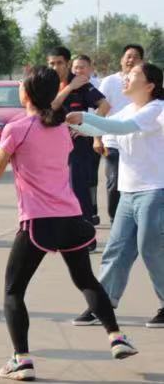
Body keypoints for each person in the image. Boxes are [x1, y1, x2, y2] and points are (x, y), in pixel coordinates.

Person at [0, 66, 137, 381]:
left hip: (38, 221)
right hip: (71, 218)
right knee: (86, 280)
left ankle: (22, 360)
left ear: (26, 93)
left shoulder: (17, 128)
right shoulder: (61, 129)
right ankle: (116, 336)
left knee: (13, 291)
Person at [67, 63, 164, 329]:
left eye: (133, 75)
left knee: (151, 248)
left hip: (155, 190)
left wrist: (84, 117)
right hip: (128, 191)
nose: (126, 78)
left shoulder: (156, 109)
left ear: (150, 85)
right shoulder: (128, 109)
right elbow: (105, 129)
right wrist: (75, 125)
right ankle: (102, 304)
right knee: (116, 249)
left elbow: (122, 128)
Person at [49, 46, 110, 232]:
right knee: (55, 189)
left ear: (67, 63)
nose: (55, 67)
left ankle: (86, 232)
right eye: (51, 63)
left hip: (76, 145)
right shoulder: (47, 83)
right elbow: (51, 107)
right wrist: (69, 88)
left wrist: (89, 128)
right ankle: (62, 230)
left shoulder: (81, 83)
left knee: (78, 188)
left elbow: (104, 105)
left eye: (59, 63)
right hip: (51, 145)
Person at [98, 44, 146, 225]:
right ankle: (115, 219)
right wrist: (96, 138)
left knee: (136, 182)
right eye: (128, 56)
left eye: (135, 57)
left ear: (142, 61)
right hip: (113, 141)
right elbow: (101, 111)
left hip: (138, 141)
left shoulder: (146, 83)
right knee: (114, 180)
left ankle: (133, 218)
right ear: (121, 59)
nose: (131, 60)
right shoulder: (109, 82)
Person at [71, 55, 103, 225]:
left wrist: (93, 131)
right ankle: (89, 213)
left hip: (92, 138)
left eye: (82, 67)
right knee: (79, 180)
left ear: (90, 69)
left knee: (89, 178)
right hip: (74, 141)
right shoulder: (70, 86)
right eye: (75, 67)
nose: (78, 70)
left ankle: (89, 214)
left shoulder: (94, 86)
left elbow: (105, 107)